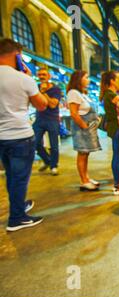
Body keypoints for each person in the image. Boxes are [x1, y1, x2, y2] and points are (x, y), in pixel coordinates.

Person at [0, 38, 48, 231]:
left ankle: (18, 205)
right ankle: (17, 218)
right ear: (17, 55)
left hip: (1, 136)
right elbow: (42, 104)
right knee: (19, 177)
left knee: (11, 175)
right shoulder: (23, 78)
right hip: (20, 135)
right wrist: (30, 78)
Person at [67, 70, 102, 191]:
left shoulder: (82, 93)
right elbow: (74, 113)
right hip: (81, 129)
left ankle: (86, 178)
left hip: (87, 129)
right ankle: (84, 181)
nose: (88, 79)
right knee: (82, 153)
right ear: (79, 79)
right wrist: (85, 127)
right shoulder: (73, 93)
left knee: (85, 153)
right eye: (86, 77)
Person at [34, 67, 63, 175]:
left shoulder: (56, 89)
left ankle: (53, 166)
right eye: (40, 74)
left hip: (52, 120)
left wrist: (44, 93)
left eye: (44, 75)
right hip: (39, 119)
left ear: (49, 76)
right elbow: (34, 103)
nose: (41, 77)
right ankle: (47, 161)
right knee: (35, 143)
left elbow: (52, 104)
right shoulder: (35, 88)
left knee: (54, 145)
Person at [100, 71, 119, 195]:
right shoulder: (110, 94)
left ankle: (118, 182)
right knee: (118, 156)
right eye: (118, 78)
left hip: (116, 128)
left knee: (118, 155)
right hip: (116, 128)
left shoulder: (111, 94)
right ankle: (117, 184)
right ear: (112, 81)